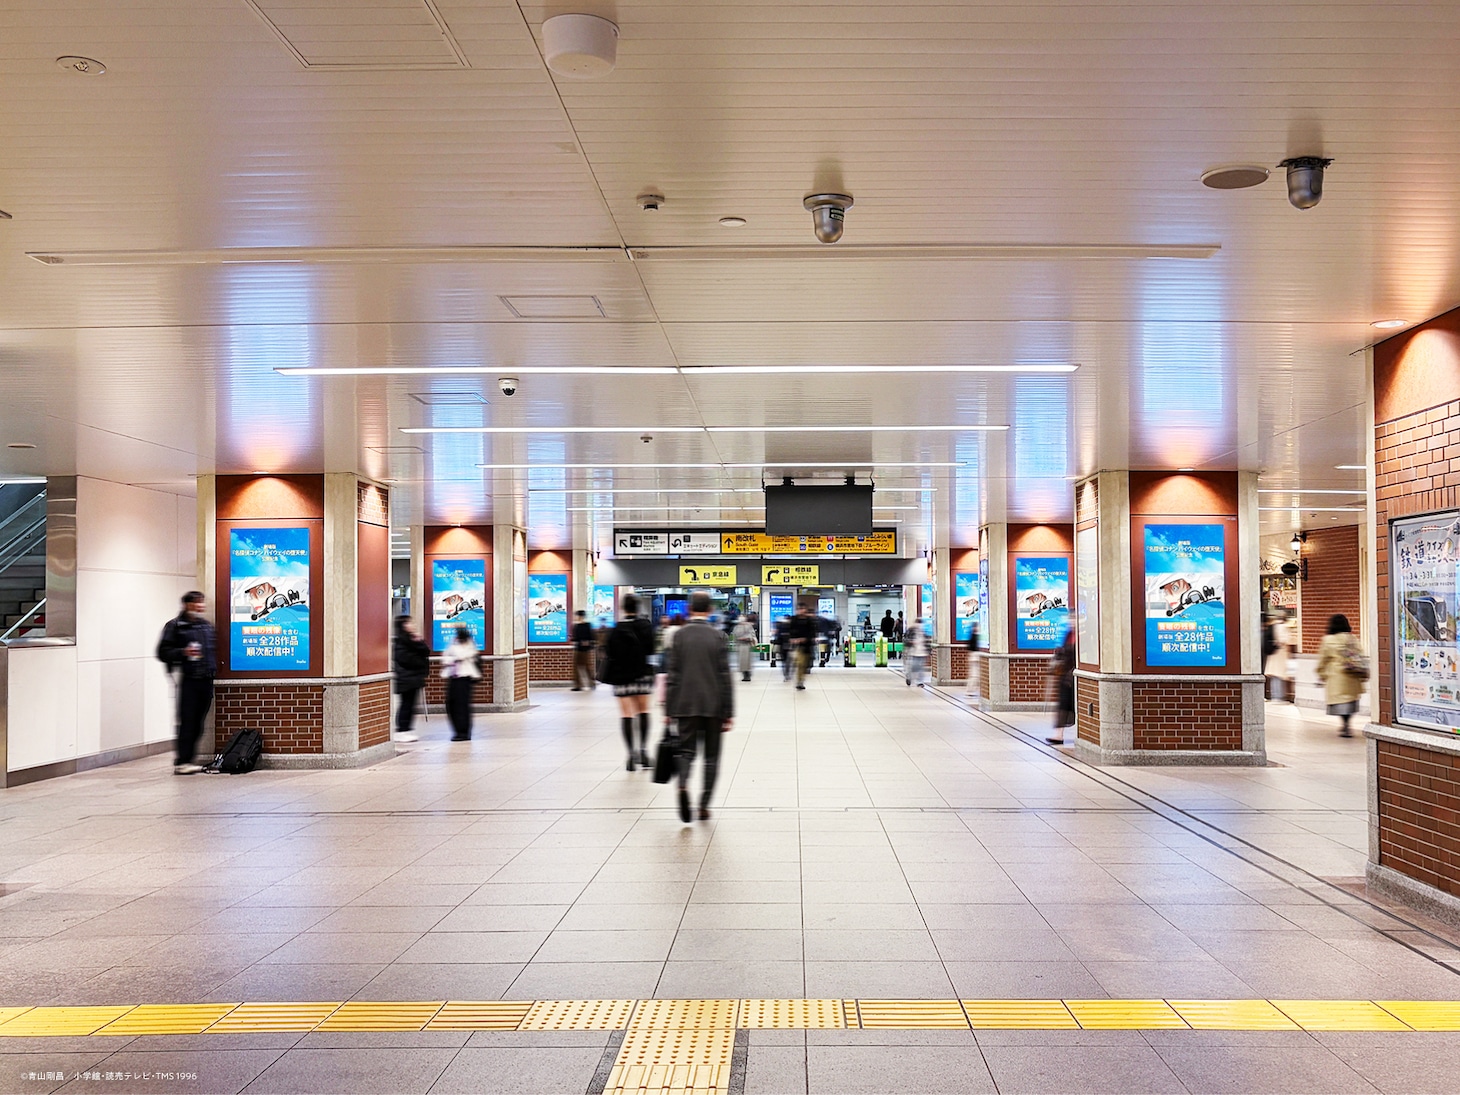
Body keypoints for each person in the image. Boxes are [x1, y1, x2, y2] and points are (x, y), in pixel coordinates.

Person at [665, 591, 734, 822]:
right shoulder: (717, 636)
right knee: (711, 757)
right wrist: (729, 711)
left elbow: (672, 675)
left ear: (690, 609)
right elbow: (725, 676)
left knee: (685, 751)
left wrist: (668, 710)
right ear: (710, 611)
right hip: (713, 706)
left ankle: (683, 785)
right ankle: (703, 805)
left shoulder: (679, 636)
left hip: (684, 705)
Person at [156, 590, 217, 774]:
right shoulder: (175, 626)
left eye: (201, 602)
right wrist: (183, 652)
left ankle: (190, 759)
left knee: (199, 722)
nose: (200, 606)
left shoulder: (205, 626)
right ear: (187, 605)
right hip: (188, 679)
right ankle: (182, 761)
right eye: (197, 603)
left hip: (206, 679)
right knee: (187, 720)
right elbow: (163, 652)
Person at [603, 593, 655, 769]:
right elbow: (652, 649)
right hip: (642, 674)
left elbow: (609, 652)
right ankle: (643, 750)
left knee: (626, 714)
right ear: (638, 608)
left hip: (621, 676)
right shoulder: (646, 626)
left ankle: (631, 754)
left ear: (623, 608)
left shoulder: (616, 629)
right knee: (643, 711)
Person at [1316, 613, 1367, 737]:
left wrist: (1321, 672)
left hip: (1337, 676)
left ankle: (1344, 723)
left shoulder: (1328, 640)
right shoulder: (1352, 638)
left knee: (1340, 701)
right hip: (1352, 675)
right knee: (1350, 701)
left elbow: (1323, 658)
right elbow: (1360, 654)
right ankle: (1347, 723)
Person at [391, 615, 430, 742]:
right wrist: (418, 658)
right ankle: (401, 729)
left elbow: (426, 651)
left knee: (411, 705)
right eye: (409, 623)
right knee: (406, 704)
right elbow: (407, 659)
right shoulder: (400, 642)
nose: (412, 625)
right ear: (403, 625)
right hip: (406, 679)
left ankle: (407, 729)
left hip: (414, 678)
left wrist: (418, 641)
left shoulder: (413, 639)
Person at [441, 624, 480, 741]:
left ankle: (463, 732)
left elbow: (461, 656)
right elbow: (444, 658)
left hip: (464, 679)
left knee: (462, 706)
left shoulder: (470, 648)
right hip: (453, 678)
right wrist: (452, 656)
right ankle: (457, 730)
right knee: (451, 705)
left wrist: (453, 657)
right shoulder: (453, 646)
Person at [1046, 628, 1077, 744]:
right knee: (1063, 704)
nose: (1072, 621)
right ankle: (1059, 735)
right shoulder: (1068, 634)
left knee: (1074, 706)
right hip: (1065, 677)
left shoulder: (1083, 634)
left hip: (1075, 676)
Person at [1263, 610, 1295, 702]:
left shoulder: (1272, 626)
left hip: (1272, 653)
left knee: (1274, 675)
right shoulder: (1284, 627)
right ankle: (1279, 696)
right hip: (1280, 653)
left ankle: (1274, 695)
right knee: (1280, 675)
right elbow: (1286, 640)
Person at [788, 603, 817, 690]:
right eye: (799, 609)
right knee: (800, 663)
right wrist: (793, 639)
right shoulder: (794, 620)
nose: (801, 611)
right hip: (796, 646)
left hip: (807, 646)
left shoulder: (809, 621)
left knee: (804, 665)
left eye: (803, 609)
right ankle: (799, 681)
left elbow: (813, 633)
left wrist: (805, 639)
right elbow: (790, 631)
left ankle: (801, 679)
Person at [571, 610, 596, 691]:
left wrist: (586, 642)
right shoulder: (578, 626)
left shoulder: (585, 626)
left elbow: (591, 637)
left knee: (586, 667)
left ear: (580, 616)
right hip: (579, 648)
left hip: (584, 649)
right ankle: (579, 685)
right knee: (577, 667)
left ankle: (590, 683)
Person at [904, 616, 930, 687]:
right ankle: (909, 676)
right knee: (913, 666)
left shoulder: (924, 633)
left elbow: (927, 643)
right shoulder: (911, 631)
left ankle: (920, 682)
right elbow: (906, 640)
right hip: (913, 652)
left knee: (921, 667)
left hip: (922, 652)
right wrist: (911, 642)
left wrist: (928, 651)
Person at [733, 614, 757, 681]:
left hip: (746, 646)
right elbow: (735, 636)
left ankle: (748, 675)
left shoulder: (749, 626)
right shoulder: (736, 627)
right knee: (741, 662)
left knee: (747, 661)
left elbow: (752, 635)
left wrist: (748, 638)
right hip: (740, 646)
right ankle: (744, 674)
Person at [964, 623, 980, 697]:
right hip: (975, 658)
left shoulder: (972, 636)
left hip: (973, 657)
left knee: (974, 675)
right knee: (974, 675)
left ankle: (971, 690)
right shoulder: (975, 637)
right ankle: (970, 690)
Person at [774, 615, 792, 681]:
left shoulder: (780, 626)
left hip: (783, 646)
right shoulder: (791, 627)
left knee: (785, 661)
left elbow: (777, 636)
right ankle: (787, 674)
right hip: (789, 646)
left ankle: (786, 674)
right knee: (788, 661)